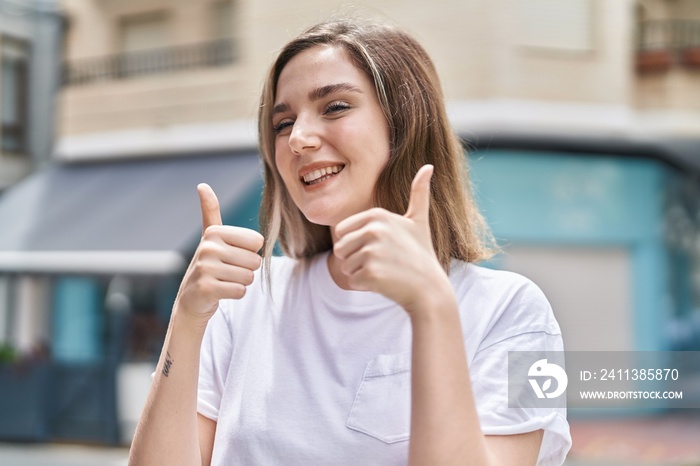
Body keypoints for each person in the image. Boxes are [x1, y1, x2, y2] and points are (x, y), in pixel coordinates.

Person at [129, 18, 571, 466]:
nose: (298, 138)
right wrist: (186, 319)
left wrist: (431, 307)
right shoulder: (245, 299)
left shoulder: (516, 313)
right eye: (283, 123)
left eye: (335, 107)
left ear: (405, 124)